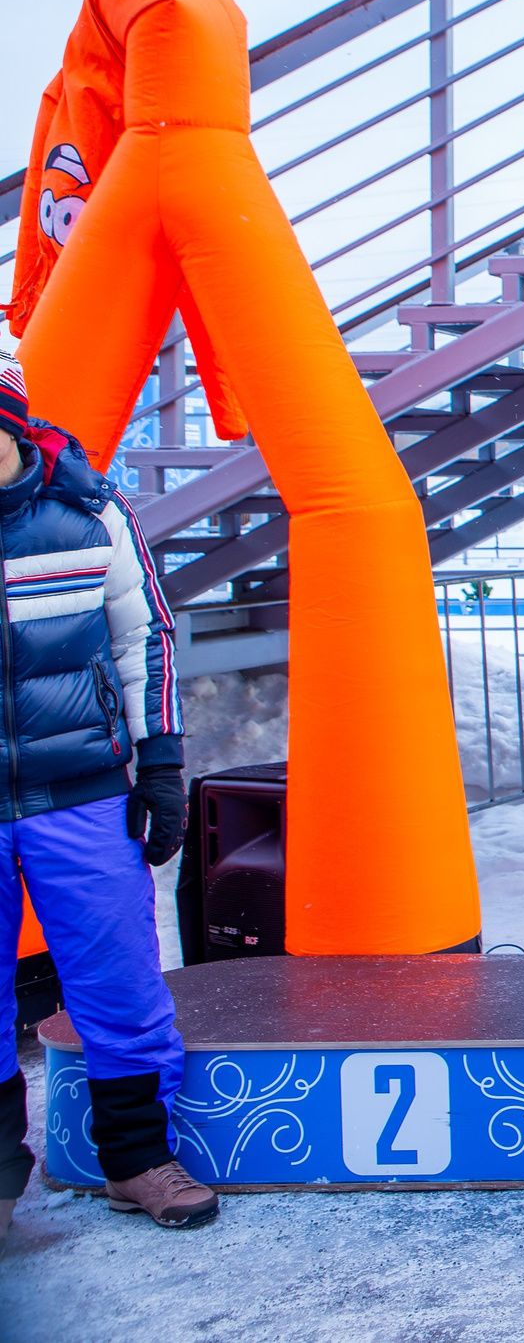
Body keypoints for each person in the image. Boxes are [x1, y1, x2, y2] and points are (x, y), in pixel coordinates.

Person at [0, 355, 205, 1234]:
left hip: (79, 791)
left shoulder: (89, 511)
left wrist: (160, 763)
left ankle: (135, 1159)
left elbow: (143, 637)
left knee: (119, 981)